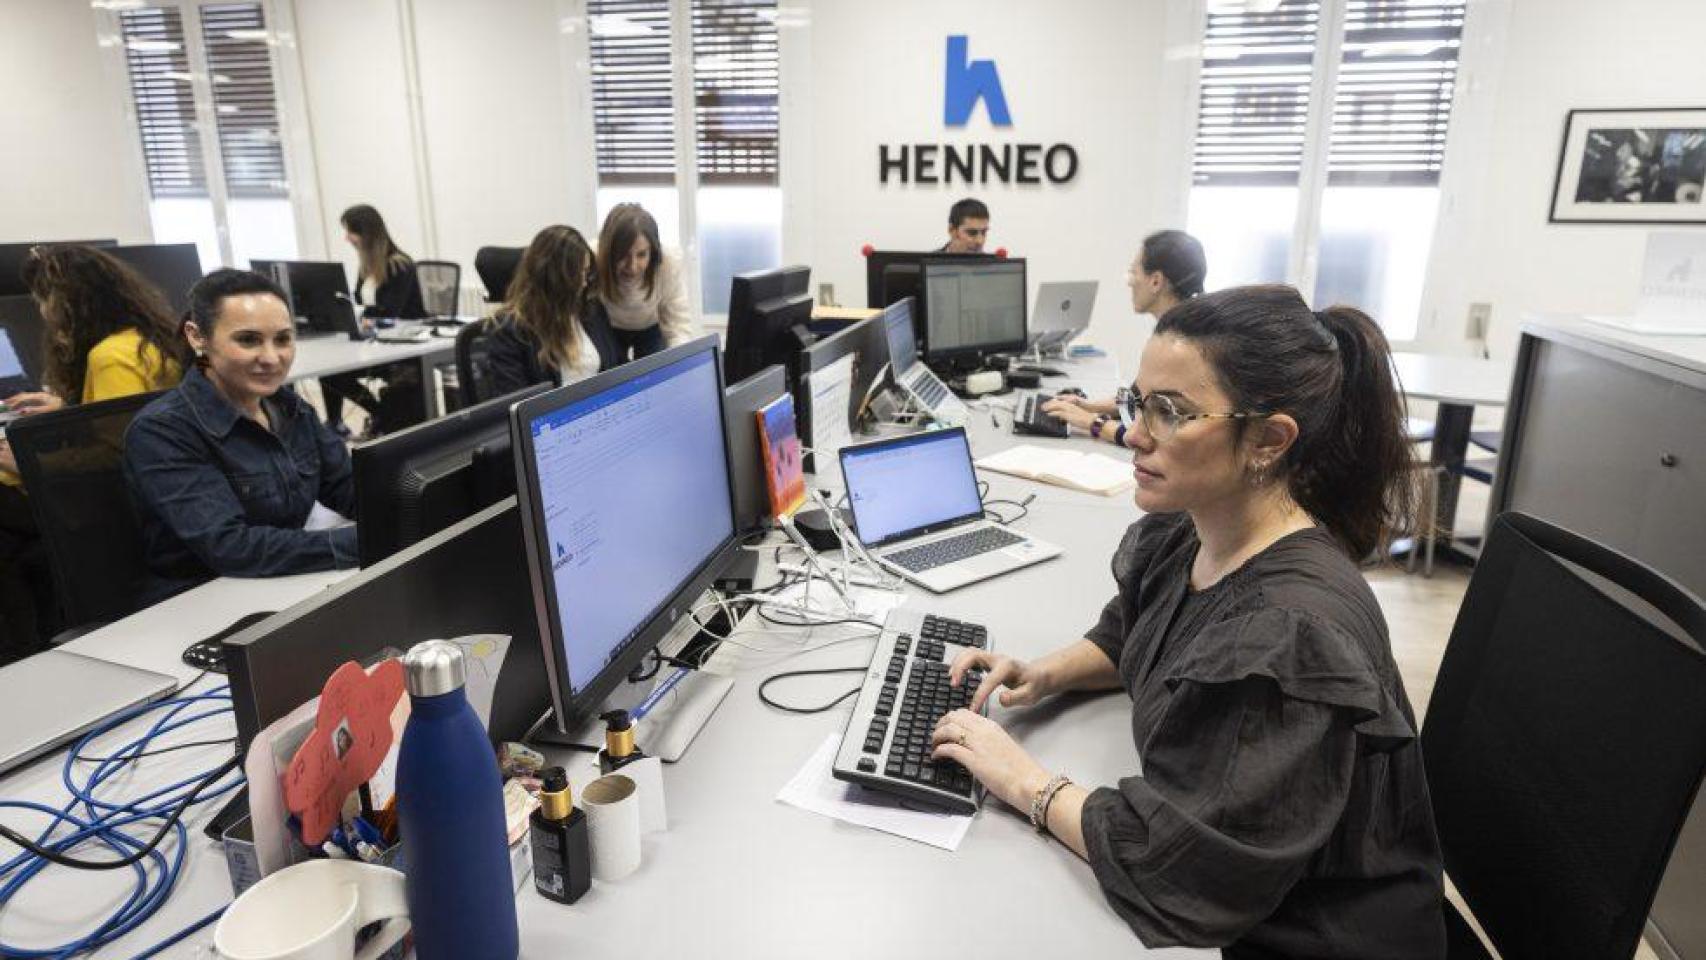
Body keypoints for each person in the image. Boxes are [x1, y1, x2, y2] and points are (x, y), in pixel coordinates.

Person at [933, 285, 1444, 957]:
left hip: (1314, 937)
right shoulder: (1197, 529)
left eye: (1169, 412)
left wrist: (1026, 782)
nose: (1133, 433)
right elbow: (1134, 630)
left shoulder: (1288, 632)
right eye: (1137, 402)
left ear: (1268, 440)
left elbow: (1182, 869)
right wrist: (1044, 673)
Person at [0, 245, 191, 658]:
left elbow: (115, 453)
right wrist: (67, 410)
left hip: (109, 509)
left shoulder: (109, 357)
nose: (43, 312)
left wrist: (30, 462)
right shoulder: (144, 340)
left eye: (45, 300)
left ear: (69, 301)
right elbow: (129, 417)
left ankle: (19, 653)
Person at [125, 269, 359, 603]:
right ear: (197, 337)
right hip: (201, 603)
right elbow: (231, 547)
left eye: (283, 339)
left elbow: (348, 487)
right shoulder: (162, 431)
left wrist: (408, 511)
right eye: (248, 340)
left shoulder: (289, 408)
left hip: (279, 585)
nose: (271, 358)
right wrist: (363, 541)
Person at [1044, 229, 1206, 445]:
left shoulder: (1180, 344)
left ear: (1156, 281)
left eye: (1133, 273)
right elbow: (1137, 400)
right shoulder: (1183, 327)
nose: (1130, 282)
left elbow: (1156, 436)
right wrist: (1087, 406)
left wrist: (1092, 422)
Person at [321, 204, 427, 436]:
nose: (346, 238)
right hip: (373, 343)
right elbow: (360, 302)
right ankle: (340, 423)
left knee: (337, 374)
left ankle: (382, 414)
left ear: (366, 232)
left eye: (350, 231)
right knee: (329, 373)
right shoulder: (366, 267)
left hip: (400, 348)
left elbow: (391, 312)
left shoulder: (399, 264)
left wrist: (365, 315)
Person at [486, 225, 622, 395]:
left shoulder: (590, 310)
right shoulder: (509, 330)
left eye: (586, 272)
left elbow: (617, 365)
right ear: (556, 279)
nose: (584, 282)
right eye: (578, 274)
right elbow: (517, 401)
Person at [596, 204, 695, 360]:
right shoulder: (591, 260)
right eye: (623, 255)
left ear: (653, 252)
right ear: (609, 252)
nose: (632, 266)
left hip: (650, 326)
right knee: (611, 371)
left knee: (655, 369)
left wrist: (678, 359)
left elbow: (678, 324)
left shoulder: (668, 263)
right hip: (607, 326)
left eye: (641, 254)